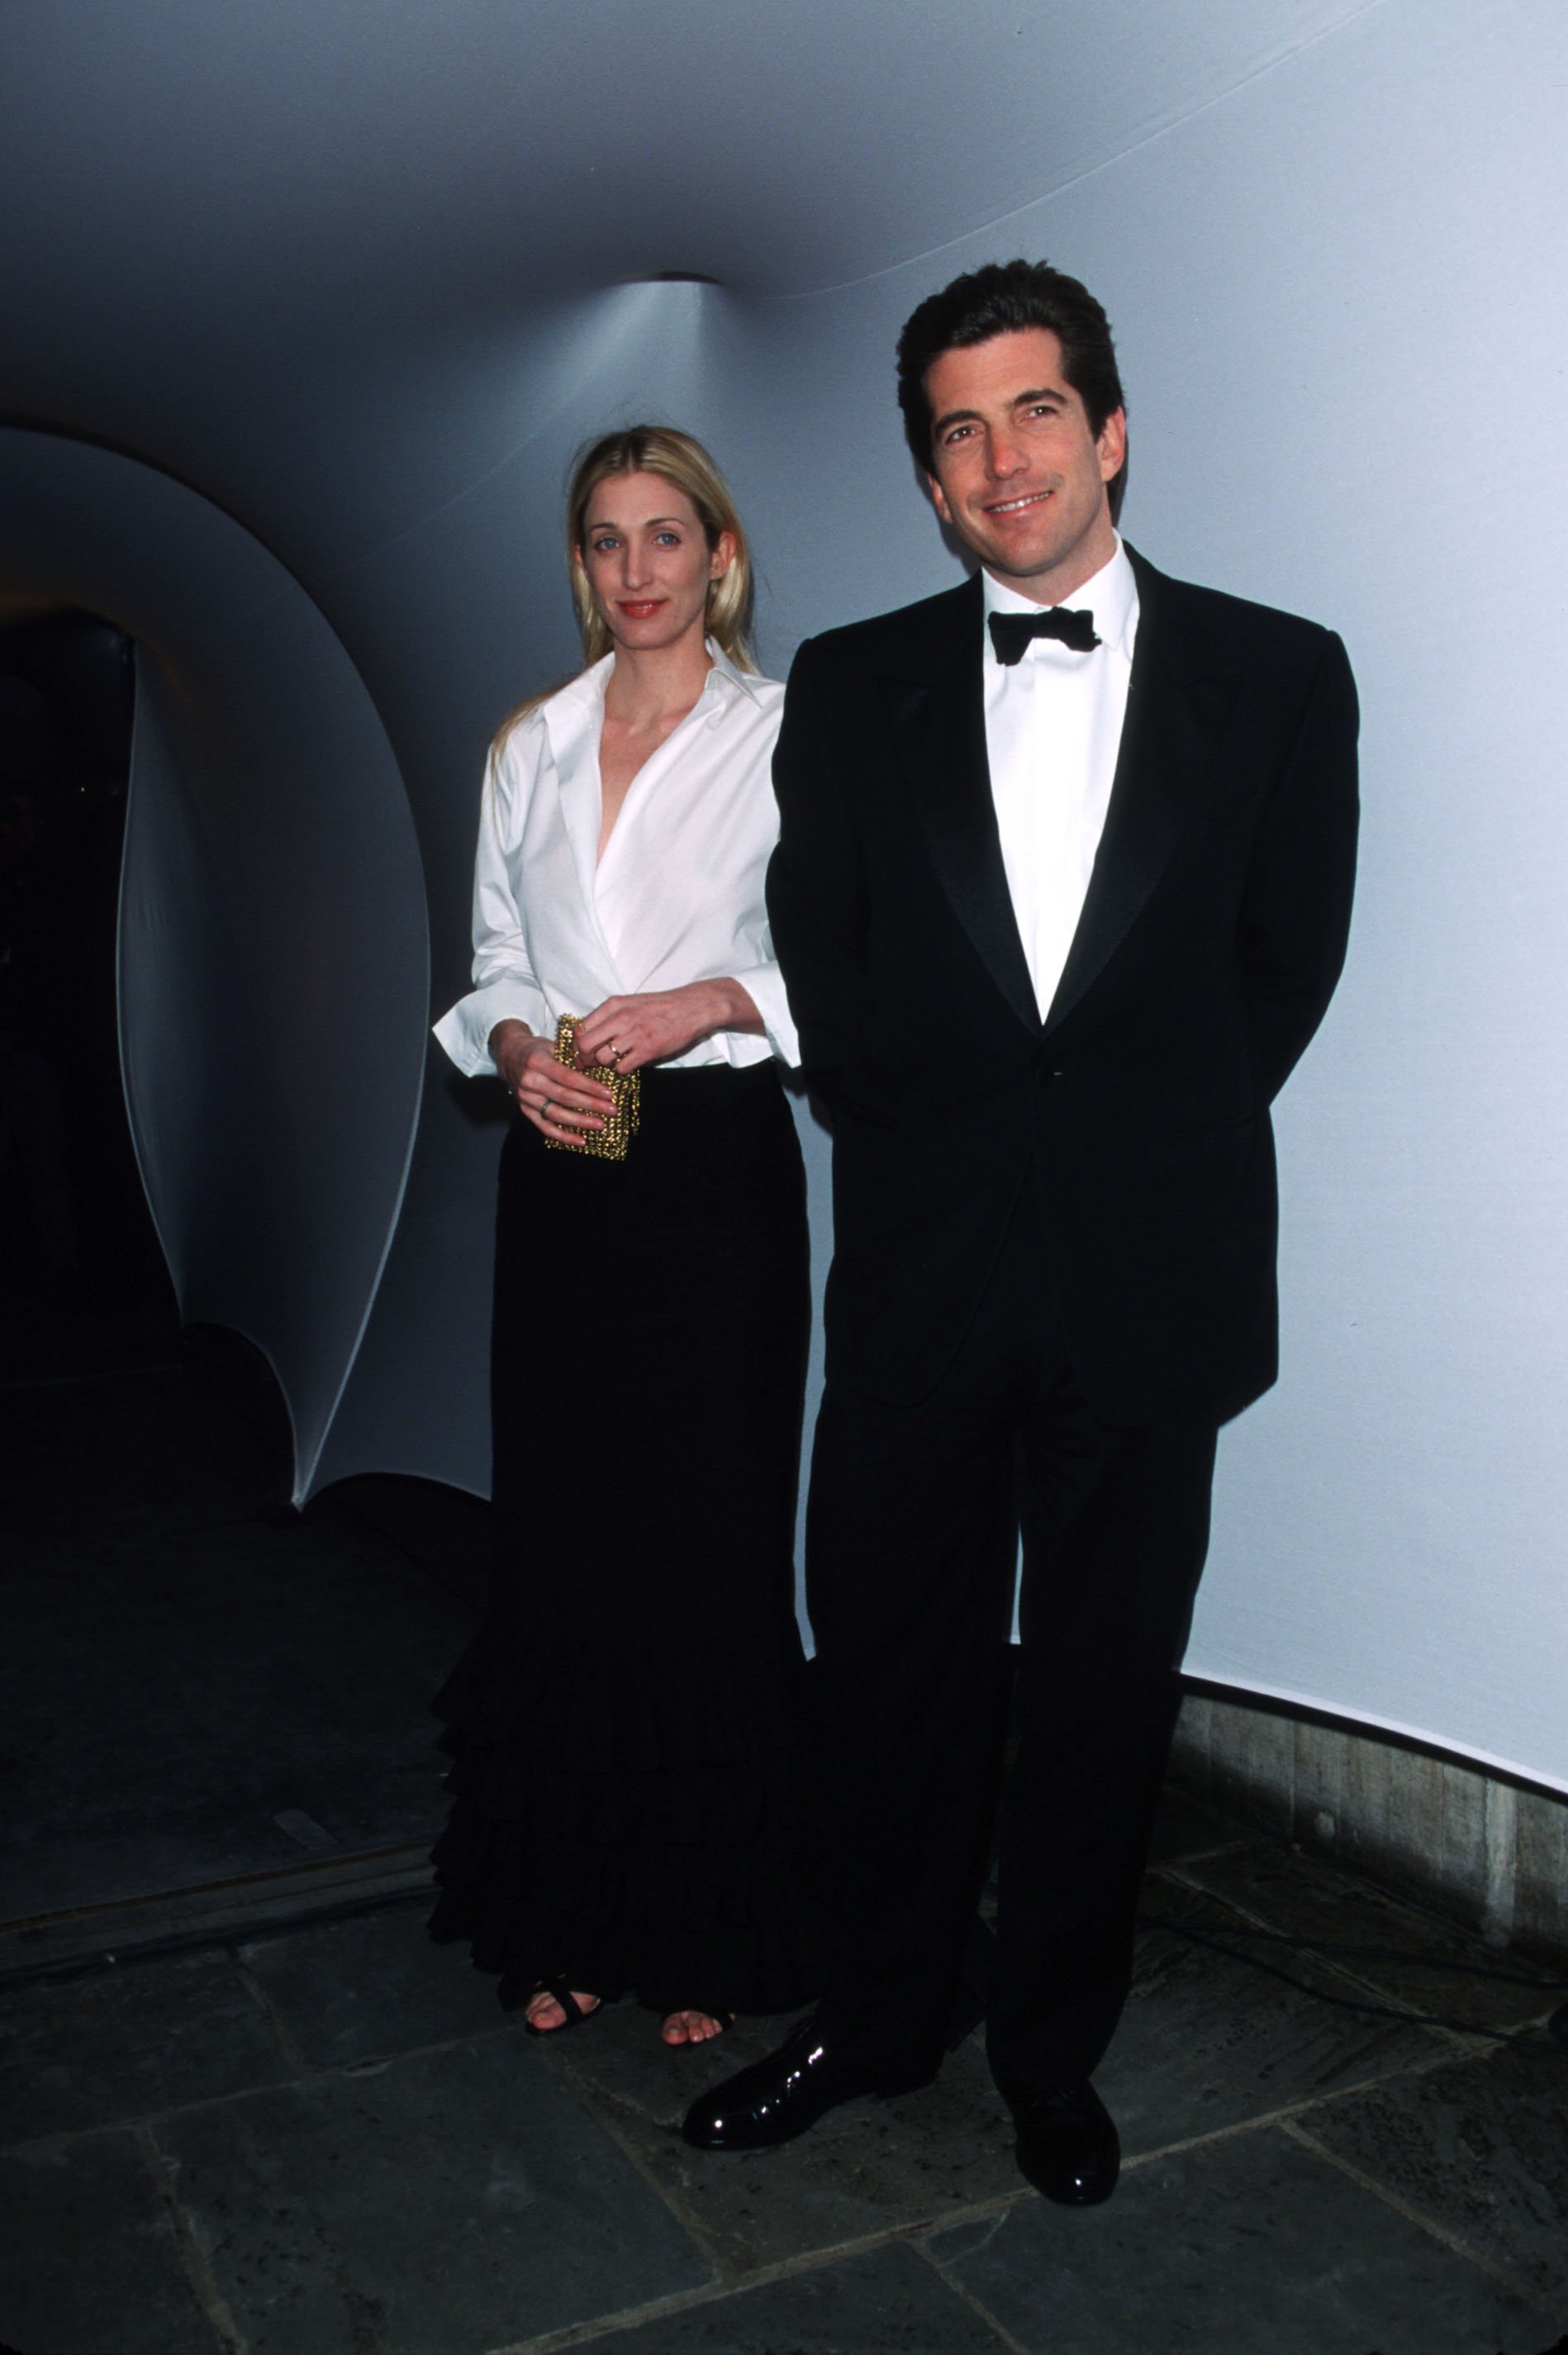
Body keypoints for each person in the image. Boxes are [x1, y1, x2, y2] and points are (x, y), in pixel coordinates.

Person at [682, 260, 1358, 2196]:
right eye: (958, 430)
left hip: (1156, 1285)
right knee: (883, 1671)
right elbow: (831, 955)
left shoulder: (1280, 673)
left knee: (1097, 1692)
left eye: (1035, 410)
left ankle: (1052, 2055)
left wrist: (1124, 1141)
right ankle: (879, 2017)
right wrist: (933, 1139)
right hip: (918, 1278)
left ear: (1111, 429)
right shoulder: (857, 682)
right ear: (929, 479)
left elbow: (1275, 974)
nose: (1002, 458)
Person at [430, 426, 817, 2049]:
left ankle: (711, 1932)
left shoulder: (790, 737)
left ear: (720, 556)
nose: (639, 569)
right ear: (582, 564)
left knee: (705, 1544)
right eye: (608, 540)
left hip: (717, 1176)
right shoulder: (529, 741)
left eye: (670, 536)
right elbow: (498, 958)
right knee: (566, 1540)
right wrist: (522, 1060)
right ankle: (567, 1915)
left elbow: (856, 966)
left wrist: (716, 999)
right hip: (564, 1177)